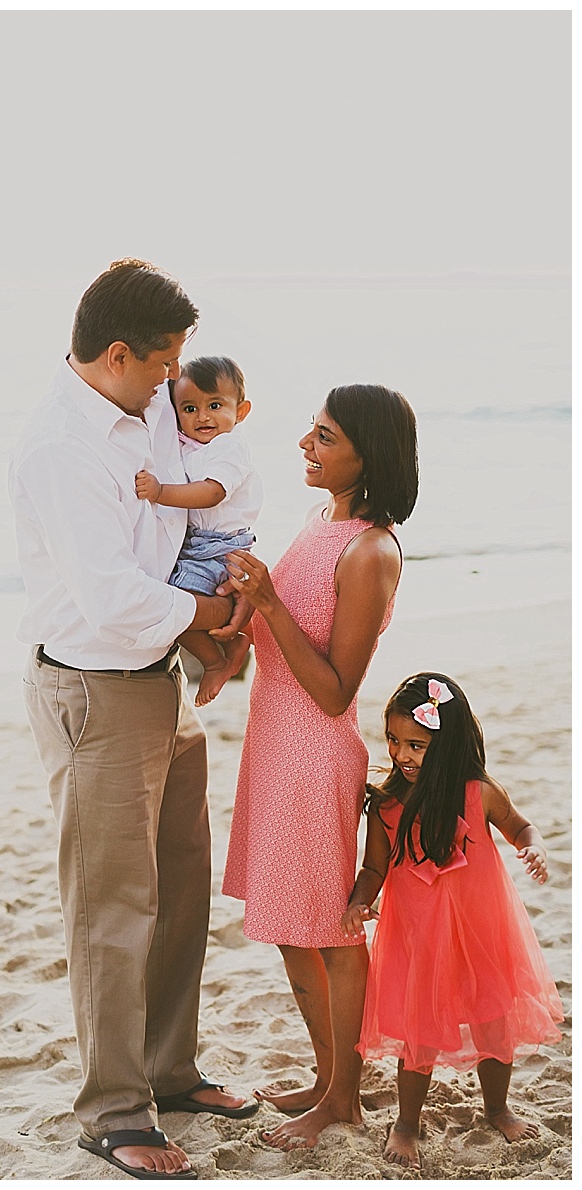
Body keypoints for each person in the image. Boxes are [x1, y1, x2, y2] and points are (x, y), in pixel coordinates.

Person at [9, 259, 257, 1182]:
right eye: (163, 365)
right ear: (117, 355)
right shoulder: (60, 449)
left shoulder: (141, 403)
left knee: (181, 888)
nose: (175, 384)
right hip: (94, 688)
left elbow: (205, 472)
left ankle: (170, 1071)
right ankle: (113, 1111)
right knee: (113, 907)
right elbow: (112, 598)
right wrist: (211, 617)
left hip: (157, 678)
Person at [219, 384, 419, 1150]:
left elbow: (337, 691)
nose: (306, 443)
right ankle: (330, 1074)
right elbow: (277, 634)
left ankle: (343, 1100)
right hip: (273, 745)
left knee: (332, 934)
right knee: (290, 929)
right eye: (312, 429)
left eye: (326, 436)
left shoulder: (371, 548)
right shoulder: (321, 520)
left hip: (315, 755)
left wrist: (267, 603)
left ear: (369, 456)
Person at [342, 673, 564, 1170]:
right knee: (419, 1033)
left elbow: (519, 825)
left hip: (482, 932)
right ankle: (405, 1123)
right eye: (395, 741)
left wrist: (534, 847)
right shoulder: (386, 805)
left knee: (493, 1021)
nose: (402, 754)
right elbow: (374, 868)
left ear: (447, 742)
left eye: (417, 744)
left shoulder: (479, 792)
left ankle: (497, 1107)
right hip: (420, 938)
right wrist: (360, 901)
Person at [136, 355, 263, 706]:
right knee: (176, 602)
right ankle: (231, 644)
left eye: (215, 405)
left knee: (175, 605)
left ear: (241, 411)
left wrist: (161, 492)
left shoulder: (229, 447)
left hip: (220, 547)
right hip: (201, 545)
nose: (202, 416)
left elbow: (212, 492)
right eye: (189, 408)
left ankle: (215, 663)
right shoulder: (189, 446)